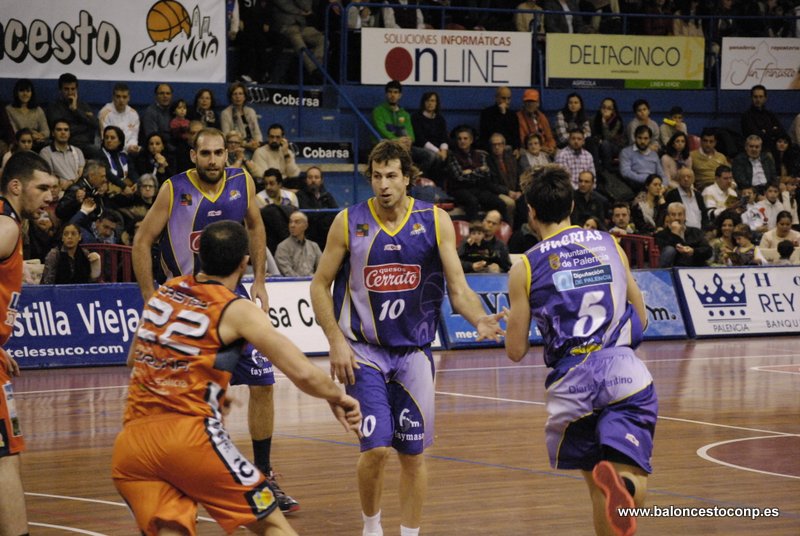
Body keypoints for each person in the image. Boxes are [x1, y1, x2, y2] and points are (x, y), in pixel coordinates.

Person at [113, 220, 361, 535]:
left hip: (131, 445)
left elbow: (135, 358)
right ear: (244, 263)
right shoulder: (236, 308)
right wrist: (337, 396)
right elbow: (301, 371)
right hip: (188, 439)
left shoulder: (166, 291)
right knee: (273, 525)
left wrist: (203, 384)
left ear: (199, 256)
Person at [309, 140, 505, 536]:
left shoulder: (435, 221)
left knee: (413, 455)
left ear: (408, 178)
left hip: (414, 353)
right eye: (377, 176)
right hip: (363, 350)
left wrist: (479, 318)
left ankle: (410, 533)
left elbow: (458, 286)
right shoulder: (348, 221)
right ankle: (371, 527)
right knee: (377, 448)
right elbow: (319, 284)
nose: (383, 185)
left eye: (392, 176)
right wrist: (334, 340)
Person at [132, 128, 300, 513]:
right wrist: (147, 296)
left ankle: (264, 475)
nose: (212, 159)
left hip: (230, 298)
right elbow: (142, 240)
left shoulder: (242, 180)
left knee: (263, 381)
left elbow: (256, 226)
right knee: (183, 395)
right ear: (193, 155)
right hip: (184, 301)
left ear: (228, 154)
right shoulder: (173, 189)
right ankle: (175, 472)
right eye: (205, 153)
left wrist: (258, 280)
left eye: (218, 153)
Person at [505, 165, 656, 536]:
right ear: (572, 204)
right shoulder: (609, 243)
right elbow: (643, 317)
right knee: (627, 472)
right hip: (621, 373)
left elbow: (515, 350)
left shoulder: (524, 266)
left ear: (531, 212)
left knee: (596, 489)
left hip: (571, 386)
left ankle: (617, 491)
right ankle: (628, 488)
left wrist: (514, 320)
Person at [0, 151, 57, 535]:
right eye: (43, 187)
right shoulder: (7, 227)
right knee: (5, 459)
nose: (50, 196)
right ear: (16, 186)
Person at [445, 125, 509, 222]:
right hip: (459, 189)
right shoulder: (452, 156)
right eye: (459, 139)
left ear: (471, 140)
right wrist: (479, 171)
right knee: (472, 202)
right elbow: (460, 177)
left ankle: (505, 231)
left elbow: (487, 174)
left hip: (478, 188)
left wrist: (471, 172)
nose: (462, 141)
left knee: (500, 203)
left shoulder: (480, 155)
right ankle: (474, 230)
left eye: (465, 138)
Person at [272, 0, 325, 83]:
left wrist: (300, 9)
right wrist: (299, 11)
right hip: (285, 25)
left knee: (322, 39)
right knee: (297, 40)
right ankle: (314, 70)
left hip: (301, 25)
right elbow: (283, 4)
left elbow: (307, 7)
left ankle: (317, 66)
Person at [45, 73, 99, 154]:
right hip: (68, 145)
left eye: (73, 89)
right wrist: (85, 126)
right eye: (66, 89)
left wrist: (75, 110)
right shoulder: (54, 107)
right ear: (60, 90)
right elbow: (62, 130)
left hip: (86, 144)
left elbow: (95, 124)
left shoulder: (83, 105)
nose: (70, 92)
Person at [655, 202, 712, 267]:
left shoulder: (695, 232)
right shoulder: (660, 235)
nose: (677, 218)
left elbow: (708, 251)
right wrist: (675, 234)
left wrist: (693, 251)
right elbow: (667, 256)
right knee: (670, 250)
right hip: (675, 270)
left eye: (680, 214)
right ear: (668, 217)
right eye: (673, 215)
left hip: (697, 268)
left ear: (685, 216)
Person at [38, 119, 85, 189]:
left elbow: (81, 174)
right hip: (57, 190)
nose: (63, 132)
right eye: (59, 130)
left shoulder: (78, 151)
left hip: (78, 189)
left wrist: (71, 183)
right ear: (53, 133)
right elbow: (48, 175)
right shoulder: (45, 152)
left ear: (69, 133)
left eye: (66, 130)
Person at [98, 82, 141, 156]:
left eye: (124, 97)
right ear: (113, 97)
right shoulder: (104, 113)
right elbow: (106, 139)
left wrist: (132, 146)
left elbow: (134, 137)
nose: (121, 100)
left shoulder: (133, 114)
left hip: (129, 152)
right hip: (110, 152)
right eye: (118, 96)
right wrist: (126, 148)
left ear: (128, 98)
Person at [741, 84, 787, 152]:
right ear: (751, 98)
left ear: (765, 98)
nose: (758, 99)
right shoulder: (746, 116)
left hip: (773, 149)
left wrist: (764, 131)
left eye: (761, 97)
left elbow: (781, 131)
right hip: (755, 150)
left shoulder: (770, 114)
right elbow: (754, 135)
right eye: (755, 97)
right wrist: (772, 130)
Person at [221, 82, 263, 155]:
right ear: (231, 97)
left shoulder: (250, 111)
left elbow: (257, 132)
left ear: (245, 96)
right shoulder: (225, 113)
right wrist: (245, 145)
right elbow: (226, 136)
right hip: (236, 148)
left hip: (254, 147)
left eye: (240, 94)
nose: (238, 97)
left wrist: (257, 143)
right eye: (235, 94)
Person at [5, 79, 49, 148]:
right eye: (21, 91)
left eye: (28, 91)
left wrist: (40, 136)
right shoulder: (9, 109)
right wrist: (31, 135)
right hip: (19, 144)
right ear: (16, 93)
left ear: (32, 93)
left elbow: (46, 131)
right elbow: (13, 131)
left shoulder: (38, 110)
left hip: (37, 143)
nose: (25, 94)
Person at [275, 211, 322, 276]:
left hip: (312, 282)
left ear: (306, 226)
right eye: (291, 222)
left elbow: (322, 268)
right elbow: (288, 273)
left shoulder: (314, 246)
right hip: (293, 284)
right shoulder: (282, 247)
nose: (292, 225)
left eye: (297, 222)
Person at [619, 125, 665, 190]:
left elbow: (661, 174)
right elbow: (625, 172)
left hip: (655, 185)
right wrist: (648, 180)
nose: (642, 141)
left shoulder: (654, 154)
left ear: (650, 139)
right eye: (639, 138)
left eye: (646, 138)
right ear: (635, 138)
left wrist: (663, 186)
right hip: (636, 185)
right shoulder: (626, 152)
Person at [480, 86, 522, 152]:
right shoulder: (487, 113)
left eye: (509, 98)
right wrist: (502, 115)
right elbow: (488, 134)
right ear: (496, 98)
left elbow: (515, 135)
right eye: (503, 98)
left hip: (508, 148)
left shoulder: (513, 115)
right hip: (492, 148)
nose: (506, 101)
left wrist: (516, 148)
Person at [590, 97, 626, 172]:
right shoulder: (594, 119)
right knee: (593, 142)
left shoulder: (617, 121)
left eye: (609, 108)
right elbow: (592, 135)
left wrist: (604, 123)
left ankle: (607, 170)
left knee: (605, 143)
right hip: (598, 145)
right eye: (603, 107)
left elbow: (608, 137)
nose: (605, 110)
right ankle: (597, 170)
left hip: (615, 146)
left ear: (613, 110)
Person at [515, 88, 554, 156]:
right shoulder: (518, 117)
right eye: (527, 102)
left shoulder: (541, 116)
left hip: (544, 148)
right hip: (529, 148)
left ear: (538, 103)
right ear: (524, 103)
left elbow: (549, 137)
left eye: (533, 101)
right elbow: (523, 141)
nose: (530, 104)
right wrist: (540, 148)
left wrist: (551, 147)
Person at [101, 125, 139, 190]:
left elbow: (132, 172)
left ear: (120, 141)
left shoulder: (124, 155)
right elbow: (108, 174)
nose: (108, 140)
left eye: (112, 138)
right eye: (106, 137)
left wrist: (136, 183)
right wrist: (124, 186)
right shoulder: (99, 155)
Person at [140, 83, 174, 153]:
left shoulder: (174, 110)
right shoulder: (150, 112)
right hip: (158, 150)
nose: (165, 96)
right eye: (161, 93)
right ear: (156, 96)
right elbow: (152, 138)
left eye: (168, 93)